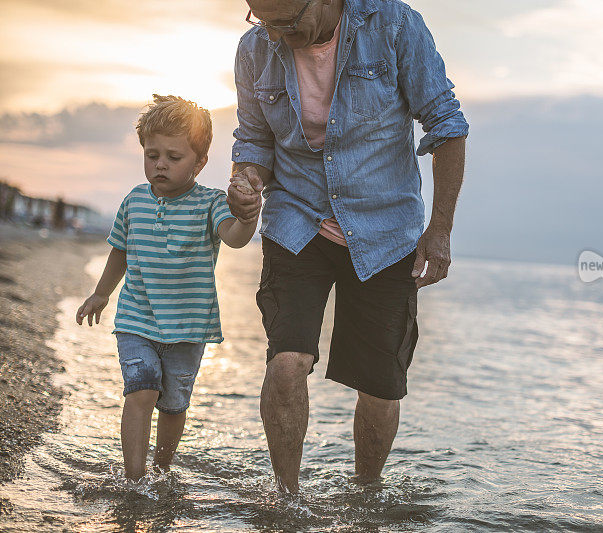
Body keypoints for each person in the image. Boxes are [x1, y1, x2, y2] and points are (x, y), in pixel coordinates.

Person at [227, 0, 469, 493]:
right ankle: (286, 501)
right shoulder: (255, 49)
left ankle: (365, 495)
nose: (276, 35)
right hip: (296, 223)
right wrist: (245, 180)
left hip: (384, 230)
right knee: (286, 364)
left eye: (288, 23)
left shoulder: (395, 24)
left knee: (379, 385)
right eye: (263, 21)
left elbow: (446, 124)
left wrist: (440, 229)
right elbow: (253, 143)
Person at [75, 94, 260, 481]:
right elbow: (120, 252)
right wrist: (101, 293)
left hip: (189, 328)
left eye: (173, 157)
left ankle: (161, 469)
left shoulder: (211, 204)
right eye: (152, 154)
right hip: (137, 320)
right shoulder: (134, 201)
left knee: (174, 405)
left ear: (200, 161)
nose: (160, 164)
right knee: (141, 389)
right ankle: (135, 478)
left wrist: (246, 215)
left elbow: (236, 238)